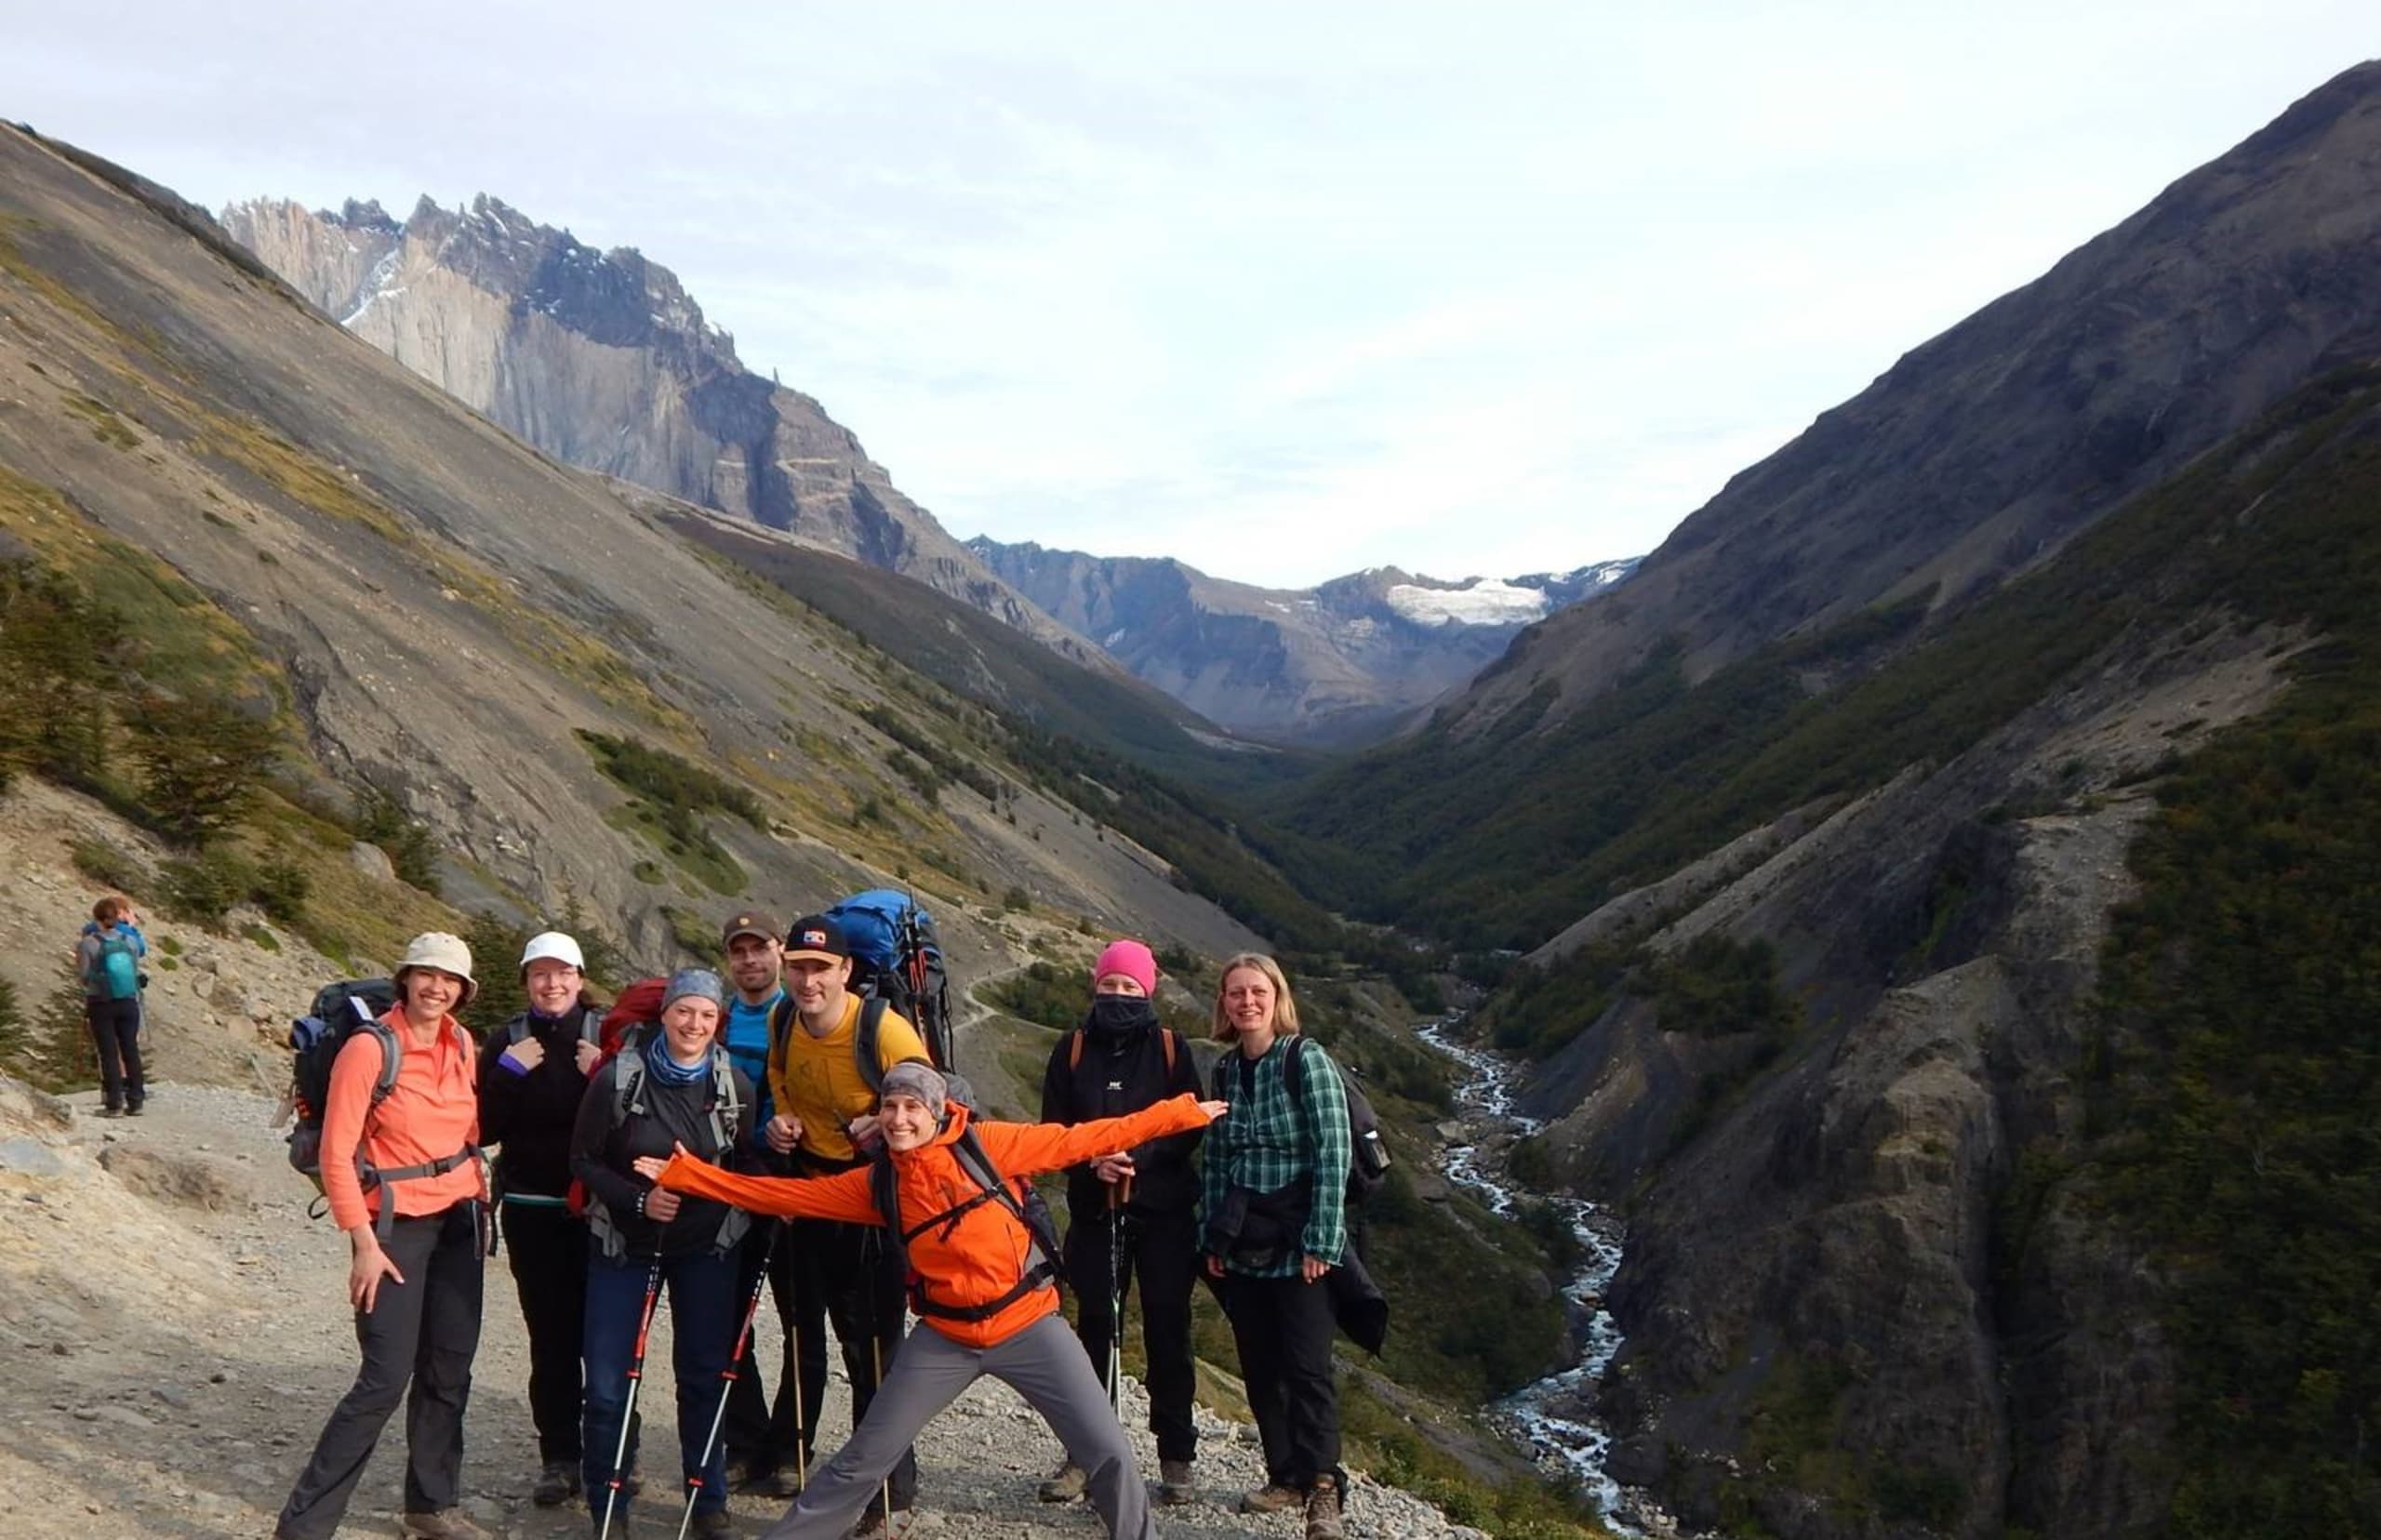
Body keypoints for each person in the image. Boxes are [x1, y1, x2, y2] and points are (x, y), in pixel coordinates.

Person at [638, 1062, 1229, 1540]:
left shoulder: (990, 1145)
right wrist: (689, 1177)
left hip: (1028, 1323)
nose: (898, 1118)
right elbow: (782, 1194)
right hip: (946, 1337)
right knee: (864, 1458)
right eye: (889, 1107)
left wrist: (1179, 1114)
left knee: (1107, 1454)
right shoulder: (880, 1183)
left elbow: (1086, 1139)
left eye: (911, 1106)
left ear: (938, 1110)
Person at [276, 933, 492, 1540]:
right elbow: (339, 1154)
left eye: (450, 980)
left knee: (449, 1368)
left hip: (459, 1220)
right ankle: (303, 1526)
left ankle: (429, 1504)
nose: (437, 987)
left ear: (463, 992)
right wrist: (363, 1242)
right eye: (426, 974)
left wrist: (478, 1189)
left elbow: (469, 1127)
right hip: (393, 1227)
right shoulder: (372, 1050)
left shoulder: (461, 1042)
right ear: (405, 979)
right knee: (384, 1376)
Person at [757, 912, 933, 1527]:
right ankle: (793, 1458)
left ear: (847, 971)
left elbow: (937, 1102)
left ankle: (888, 1487)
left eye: (821, 969)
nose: (809, 981)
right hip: (807, 1195)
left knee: (874, 1352)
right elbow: (779, 1077)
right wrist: (780, 1120)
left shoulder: (881, 1030)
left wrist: (888, 1124)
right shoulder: (783, 1020)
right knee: (803, 1330)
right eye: (799, 968)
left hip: (870, 1210)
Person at [569, 967, 755, 1538]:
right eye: (684, 1012)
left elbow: (746, 1169)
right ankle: (608, 1502)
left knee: (702, 1375)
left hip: (706, 1250)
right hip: (624, 1245)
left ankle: (709, 1498)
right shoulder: (618, 1079)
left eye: (705, 1015)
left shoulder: (733, 1086)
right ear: (666, 1015)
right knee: (607, 1383)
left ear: (717, 1021)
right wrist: (637, 1200)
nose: (694, 1023)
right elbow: (582, 1161)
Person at [1036, 938, 1205, 1507]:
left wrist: (1139, 1159)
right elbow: (1051, 1131)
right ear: (1095, 985)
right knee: (1093, 1334)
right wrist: (1093, 1160)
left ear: (1148, 990)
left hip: (1163, 1213)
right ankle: (1087, 1454)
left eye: (1129, 988)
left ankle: (1176, 1456)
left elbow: (1190, 1124)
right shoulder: (1073, 1049)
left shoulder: (1171, 1048)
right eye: (1109, 986)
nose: (1118, 996)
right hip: (1094, 1209)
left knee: (1167, 1329)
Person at [1201, 953, 1352, 1540]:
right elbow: (1217, 1156)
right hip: (1244, 1238)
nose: (1247, 1002)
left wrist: (1323, 1239)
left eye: (1257, 992)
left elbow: (1333, 1152)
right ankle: (1284, 1476)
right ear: (1224, 1003)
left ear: (1277, 997)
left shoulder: (1305, 1060)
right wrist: (1212, 1233)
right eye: (1235, 993)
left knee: (1308, 1366)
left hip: (1298, 1239)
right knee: (1261, 1367)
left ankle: (1323, 1490)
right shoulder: (1225, 1071)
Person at [476, 930, 605, 1507]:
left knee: (605, 1340)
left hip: (599, 1213)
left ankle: (606, 1457)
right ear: (527, 981)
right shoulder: (508, 1041)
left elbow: (632, 1124)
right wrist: (505, 1073)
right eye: (540, 975)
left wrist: (602, 1074)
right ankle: (560, 1458)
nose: (552, 985)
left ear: (580, 978)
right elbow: (482, 1130)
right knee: (551, 1341)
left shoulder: (608, 1038)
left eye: (562, 974)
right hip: (532, 1210)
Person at [714, 908, 805, 1496]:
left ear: (779, 951)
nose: (750, 960)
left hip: (793, 1180)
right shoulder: (717, 1021)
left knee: (799, 1319)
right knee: (729, 1319)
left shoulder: (797, 1017)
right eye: (738, 951)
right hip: (734, 1184)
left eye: (759, 948)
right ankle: (748, 1445)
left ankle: (791, 1445)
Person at [75, 896, 147, 1116]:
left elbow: (85, 976)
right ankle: (136, 1100)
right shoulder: (130, 942)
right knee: (130, 1050)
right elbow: (134, 968)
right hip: (128, 1001)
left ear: (96, 918)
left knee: (108, 1053)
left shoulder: (88, 943)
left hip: (101, 1003)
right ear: (118, 918)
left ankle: (114, 1103)